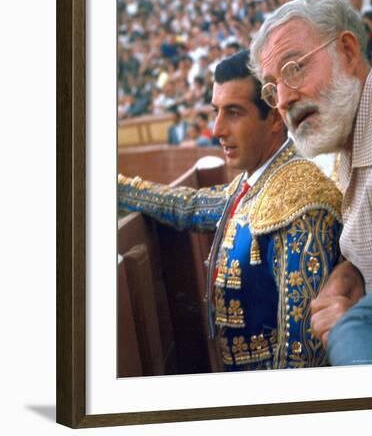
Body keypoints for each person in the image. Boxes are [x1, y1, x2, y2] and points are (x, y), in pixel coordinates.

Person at [119, 49, 343, 372]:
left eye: (234, 113)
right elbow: (191, 206)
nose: (217, 129)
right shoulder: (259, 179)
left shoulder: (300, 202)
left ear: (276, 118)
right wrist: (118, 187)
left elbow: (302, 354)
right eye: (216, 111)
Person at [250, 0, 372, 364]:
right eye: (271, 87)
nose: (282, 99)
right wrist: (352, 271)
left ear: (346, 50)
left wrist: (364, 331)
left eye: (294, 67)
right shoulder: (344, 144)